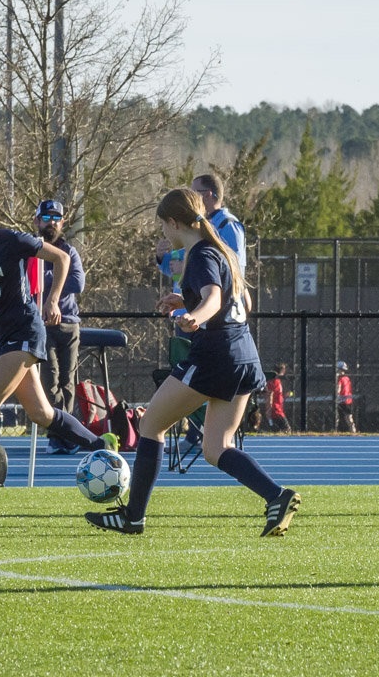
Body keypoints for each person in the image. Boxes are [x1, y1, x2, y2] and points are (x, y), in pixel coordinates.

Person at [84, 188, 300, 537]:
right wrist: (184, 302)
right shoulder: (222, 250)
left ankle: (133, 517)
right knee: (216, 448)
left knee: (151, 426)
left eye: (163, 227)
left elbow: (214, 297)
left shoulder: (199, 254)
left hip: (215, 355)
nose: (163, 235)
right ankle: (277, 496)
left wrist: (196, 315)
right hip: (243, 353)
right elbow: (238, 298)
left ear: (174, 222)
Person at [0, 188, 117, 508]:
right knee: (41, 413)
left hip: (26, 332)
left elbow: (62, 257)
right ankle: (100, 443)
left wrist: (52, 299)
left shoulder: (10, 240)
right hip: (4, 336)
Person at [34, 199, 86, 453]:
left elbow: (77, 283)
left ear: (62, 223)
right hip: (42, 325)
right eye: (46, 218)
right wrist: (53, 280)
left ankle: (67, 433)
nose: (51, 223)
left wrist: (49, 282)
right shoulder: (30, 250)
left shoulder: (69, 250)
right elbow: (28, 283)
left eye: (56, 219)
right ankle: (57, 433)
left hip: (68, 324)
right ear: (37, 221)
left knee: (68, 381)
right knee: (50, 379)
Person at [264, 362, 291, 432]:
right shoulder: (274, 381)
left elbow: (277, 395)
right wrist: (269, 410)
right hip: (276, 410)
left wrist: (285, 395)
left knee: (279, 430)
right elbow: (270, 396)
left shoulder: (278, 381)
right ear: (283, 371)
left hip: (278, 409)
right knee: (287, 428)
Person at [336, 360, 357, 433]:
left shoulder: (340, 379)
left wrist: (336, 396)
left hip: (341, 401)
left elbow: (338, 389)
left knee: (337, 417)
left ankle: (335, 430)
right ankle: (353, 430)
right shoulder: (347, 378)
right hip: (348, 400)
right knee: (348, 416)